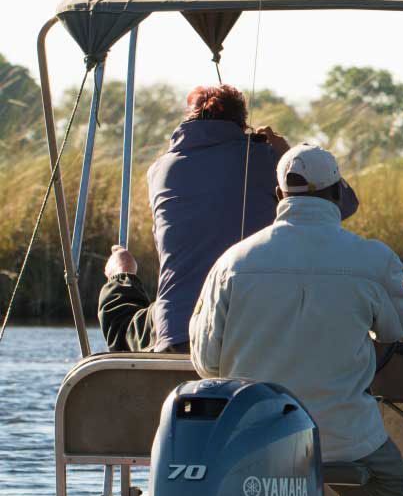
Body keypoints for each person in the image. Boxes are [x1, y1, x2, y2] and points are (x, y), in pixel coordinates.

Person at [190, 142, 403, 496]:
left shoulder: (232, 262)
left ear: (279, 198)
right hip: (347, 442)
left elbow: (207, 363)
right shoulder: (371, 259)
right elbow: (399, 327)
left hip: (256, 445)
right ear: (338, 194)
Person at [98, 85, 287, 353]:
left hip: (176, 329)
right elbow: (342, 206)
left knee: (123, 318)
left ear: (188, 118)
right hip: (250, 332)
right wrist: (284, 152)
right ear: (242, 122)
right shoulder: (266, 159)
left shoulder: (160, 169)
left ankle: (121, 273)